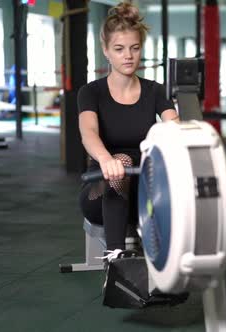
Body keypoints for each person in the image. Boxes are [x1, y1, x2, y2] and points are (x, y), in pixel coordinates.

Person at [78, 2, 178, 262]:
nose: (128, 56)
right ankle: (115, 256)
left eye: (134, 48)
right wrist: (106, 160)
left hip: (145, 192)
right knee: (122, 161)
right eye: (119, 49)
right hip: (101, 190)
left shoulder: (155, 90)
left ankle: (173, 264)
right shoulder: (91, 92)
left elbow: (173, 125)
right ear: (106, 51)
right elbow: (88, 132)